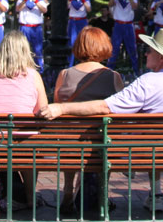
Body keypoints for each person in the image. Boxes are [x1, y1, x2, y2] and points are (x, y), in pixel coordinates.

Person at [39, 27, 163, 214]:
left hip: (144, 153)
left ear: (161, 58)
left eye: (149, 50)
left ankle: (70, 191)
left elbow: (107, 107)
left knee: (120, 140)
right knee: (114, 139)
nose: (145, 53)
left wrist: (61, 108)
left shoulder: (148, 82)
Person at [52, 27, 123, 214]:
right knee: (108, 139)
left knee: (69, 136)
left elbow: (58, 105)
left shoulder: (64, 75)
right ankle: (102, 192)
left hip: (70, 143)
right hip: (101, 143)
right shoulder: (114, 77)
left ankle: (68, 190)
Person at [0, 30, 49, 213]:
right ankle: (30, 196)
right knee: (31, 146)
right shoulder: (33, 76)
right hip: (24, 139)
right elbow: (42, 108)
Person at [107, 0, 139, 73]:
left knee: (132, 48)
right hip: (118, 25)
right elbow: (109, 4)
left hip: (129, 25)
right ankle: (109, 70)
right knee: (114, 48)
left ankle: (135, 70)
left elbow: (135, 7)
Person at [16, 0, 48, 72]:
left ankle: (40, 70)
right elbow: (18, 9)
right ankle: (22, 69)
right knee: (22, 49)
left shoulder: (40, 0)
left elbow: (44, 10)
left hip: (36, 28)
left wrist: (36, 1)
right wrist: (25, 0)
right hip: (25, 27)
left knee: (37, 50)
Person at [67, 0, 92, 65]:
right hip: (73, 22)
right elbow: (67, 6)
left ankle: (84, 62)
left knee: (83, 42)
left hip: (82, 21)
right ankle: (70, 63)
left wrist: (83, 0)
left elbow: (89, 10)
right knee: (71, 43)